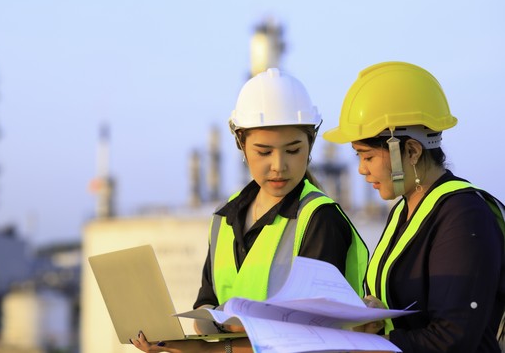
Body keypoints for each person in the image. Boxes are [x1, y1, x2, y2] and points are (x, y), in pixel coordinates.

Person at [132, 68, 369, 353]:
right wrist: (180, 340)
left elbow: (310, 335)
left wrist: (216, 345)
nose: (279, 165)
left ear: (310, 145)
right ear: (241, 145)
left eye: (293, 150)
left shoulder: (320, 218)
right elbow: (207, 304)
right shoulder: (224, 217)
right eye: (264, 151)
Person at [323, 61, 505, 352]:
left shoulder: (464, 216)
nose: (361, 170)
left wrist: (371, 346)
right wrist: (374, 314)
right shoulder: (405, 209)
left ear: (410, 151)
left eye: (367, 156)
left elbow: (454, 337)